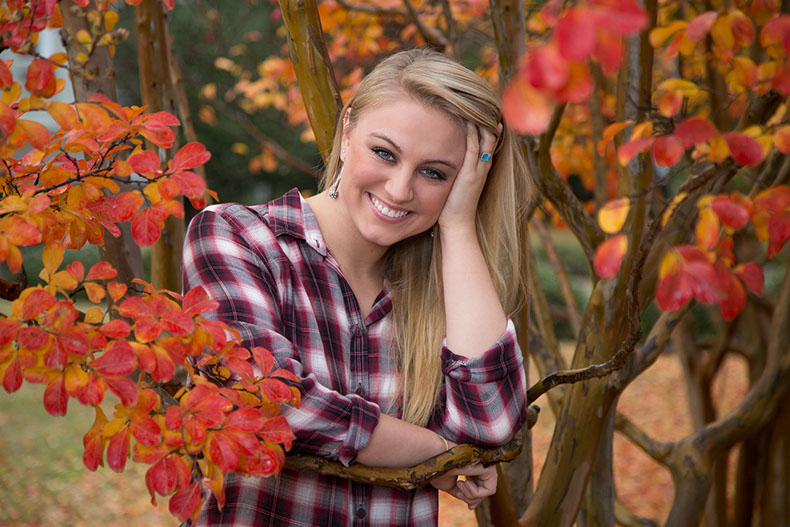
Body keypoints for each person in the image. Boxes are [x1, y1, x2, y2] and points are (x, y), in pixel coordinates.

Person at [183, 48, 531, 526]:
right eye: (384, 153)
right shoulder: (239, 238)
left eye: (434, 173)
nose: (400, 189)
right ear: (347, 133)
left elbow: (490, 427)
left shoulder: (438, 292)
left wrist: (459, 226)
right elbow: (266, 402)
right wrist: (437, 453)